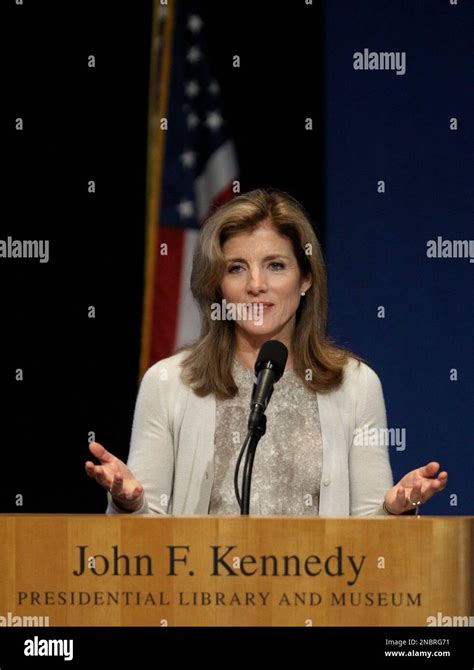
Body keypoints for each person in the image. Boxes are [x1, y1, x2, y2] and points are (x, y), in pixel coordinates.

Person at [85, 188, 448, 516]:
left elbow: (370, 540)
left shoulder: (354, 385)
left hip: (319, 588)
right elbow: (145, 541)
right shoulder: (169, 382)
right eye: (236, 268)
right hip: (203, 590)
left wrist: (394, 510)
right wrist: (128, 504)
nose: (256, 285)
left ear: (305, 278)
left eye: (275, 266)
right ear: (218, 285)